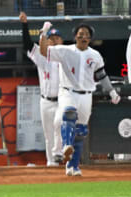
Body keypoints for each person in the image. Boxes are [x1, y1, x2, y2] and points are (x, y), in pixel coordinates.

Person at [40, 22, 121, 176]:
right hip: (68, 91)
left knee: (81, 130)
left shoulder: (95, 55)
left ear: (90, 38)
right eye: (80, 33)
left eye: (86, 34)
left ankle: (73, 166)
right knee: (68, 114)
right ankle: (65, 145)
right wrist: (44, 32)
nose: (83, 36)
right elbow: (44, 51)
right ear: (75, 36)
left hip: (86, 95)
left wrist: (111, 91)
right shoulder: (65, 51)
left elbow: (102, 75)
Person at [19, 12, 62, 166]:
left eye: (57, 38)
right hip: (45, 100)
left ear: (62, 41)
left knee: (59, 124)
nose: (55, 41)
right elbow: (27, 45)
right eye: (52, 38)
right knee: (48, 134)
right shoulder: (42, 56)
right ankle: (52, 163)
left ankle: (59, 156)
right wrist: (25, 25)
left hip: (61, 100)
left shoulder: (66, 55)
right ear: (47, 41)